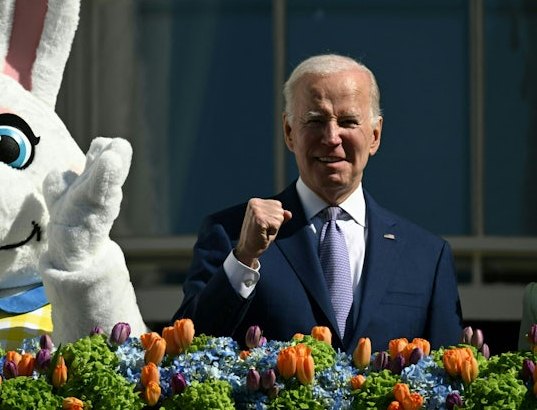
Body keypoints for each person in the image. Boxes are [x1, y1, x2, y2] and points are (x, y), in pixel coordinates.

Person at [172, 53, 463, 354]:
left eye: (349, 121)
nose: (332, 136)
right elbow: (185, 353)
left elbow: (451, 388)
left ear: (375, 135)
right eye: (315, 120)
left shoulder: (427, 258)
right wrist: (244, 257)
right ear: (289, 133)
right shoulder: (231, 234)